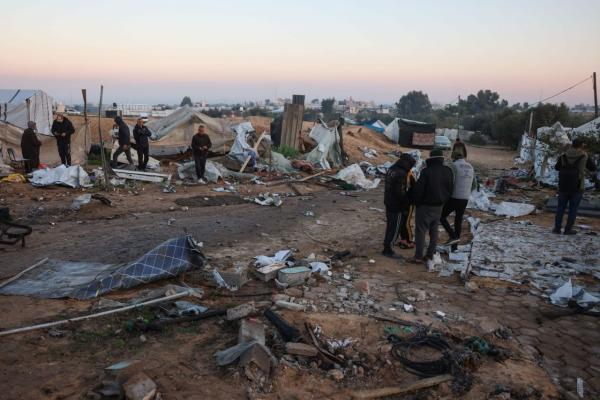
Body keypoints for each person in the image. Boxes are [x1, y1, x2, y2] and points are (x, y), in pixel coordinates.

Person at [409, 149, 454, 263]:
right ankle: (430, 255)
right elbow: (450, 189)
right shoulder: (448, 171)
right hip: (439, 206)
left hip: (425, 206)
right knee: (434, 231)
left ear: (430, 159)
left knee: (421, 231)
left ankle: (418, 257)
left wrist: (416, 202)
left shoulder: (426, 171)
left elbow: (419, 190)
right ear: (441, 159)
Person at [553, 138, 596, 234]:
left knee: (560, 208)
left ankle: (557, 228)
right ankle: (568, 230)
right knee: (573, 209)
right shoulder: (584, 156)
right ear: (581, 146)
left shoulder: (563, 155)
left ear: (572, 145)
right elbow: (593, 168)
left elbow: (556, 167)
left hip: (563, 186)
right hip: (577, 186)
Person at [382, 153, 416, 257]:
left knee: (390, 226)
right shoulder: (402, 173)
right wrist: (406, 204)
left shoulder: (392, 169)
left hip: (388, 202)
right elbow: (400, 192)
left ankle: (386, 246)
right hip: (396, 206)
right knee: (394, 228)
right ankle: (388, 250)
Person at [440, 150, 476, 249]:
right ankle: (454, 247)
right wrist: (466, 191)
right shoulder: (471, 167)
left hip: (454, 197)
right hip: (465, 198)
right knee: (458, 220)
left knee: (441, 216)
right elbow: (474, 185)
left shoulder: (454, 165)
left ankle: (453, 236)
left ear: (454, 157)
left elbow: (450, 180)